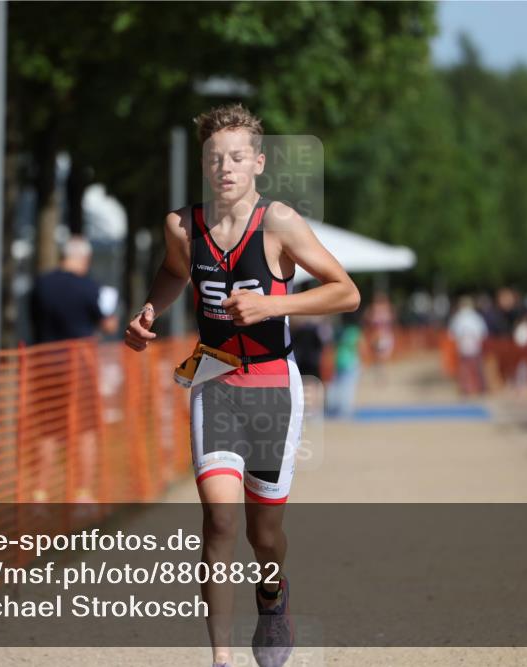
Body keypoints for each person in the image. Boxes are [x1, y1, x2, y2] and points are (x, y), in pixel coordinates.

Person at [123, 103, 360, 667]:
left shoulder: (279, 223)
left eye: (235, 157)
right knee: (220, 519)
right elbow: (175, 272)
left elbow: (345, 292)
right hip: (215, 380)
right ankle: (222, 659)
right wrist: (149, 312)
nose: (224, 167)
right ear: (204, 165)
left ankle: (273, 597)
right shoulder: (183, 226)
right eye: (214, 158)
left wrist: (272, 303)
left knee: (265, 535)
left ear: (257, 163)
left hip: (275, 386)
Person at [30, 236, 118, 503]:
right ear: (85, 258)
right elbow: (108, 325)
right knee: (85, 429)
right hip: (79, 364)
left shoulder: (41, 284)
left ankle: (40, 493)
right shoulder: (89, 287)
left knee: (47, 429)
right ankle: (83, 492)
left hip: (45, 363)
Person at [448, 295, 488, 395]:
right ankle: (480, 388)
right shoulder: (475, 317)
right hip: (473, 347)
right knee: (476, 368)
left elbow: (452, 334)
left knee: (467, 369)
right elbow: (483, 333)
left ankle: (467, 389)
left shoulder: (459, 317)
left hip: (465, 347)